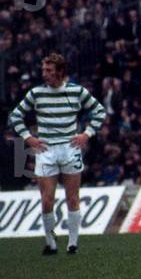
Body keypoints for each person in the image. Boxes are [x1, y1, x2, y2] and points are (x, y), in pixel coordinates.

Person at [8, 53, 107, 255]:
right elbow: (15, 115)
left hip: (70, 148)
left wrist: (86, 134)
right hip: (46, 150)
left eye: (49, 70)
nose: (44, 74)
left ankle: (72, 244)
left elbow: (100, 111)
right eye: (43, 70)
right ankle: (51, 242)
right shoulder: (36, 93)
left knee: (73, 198)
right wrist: (28, 137)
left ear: (60, 72)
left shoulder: (77, 91)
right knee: (47, 200)